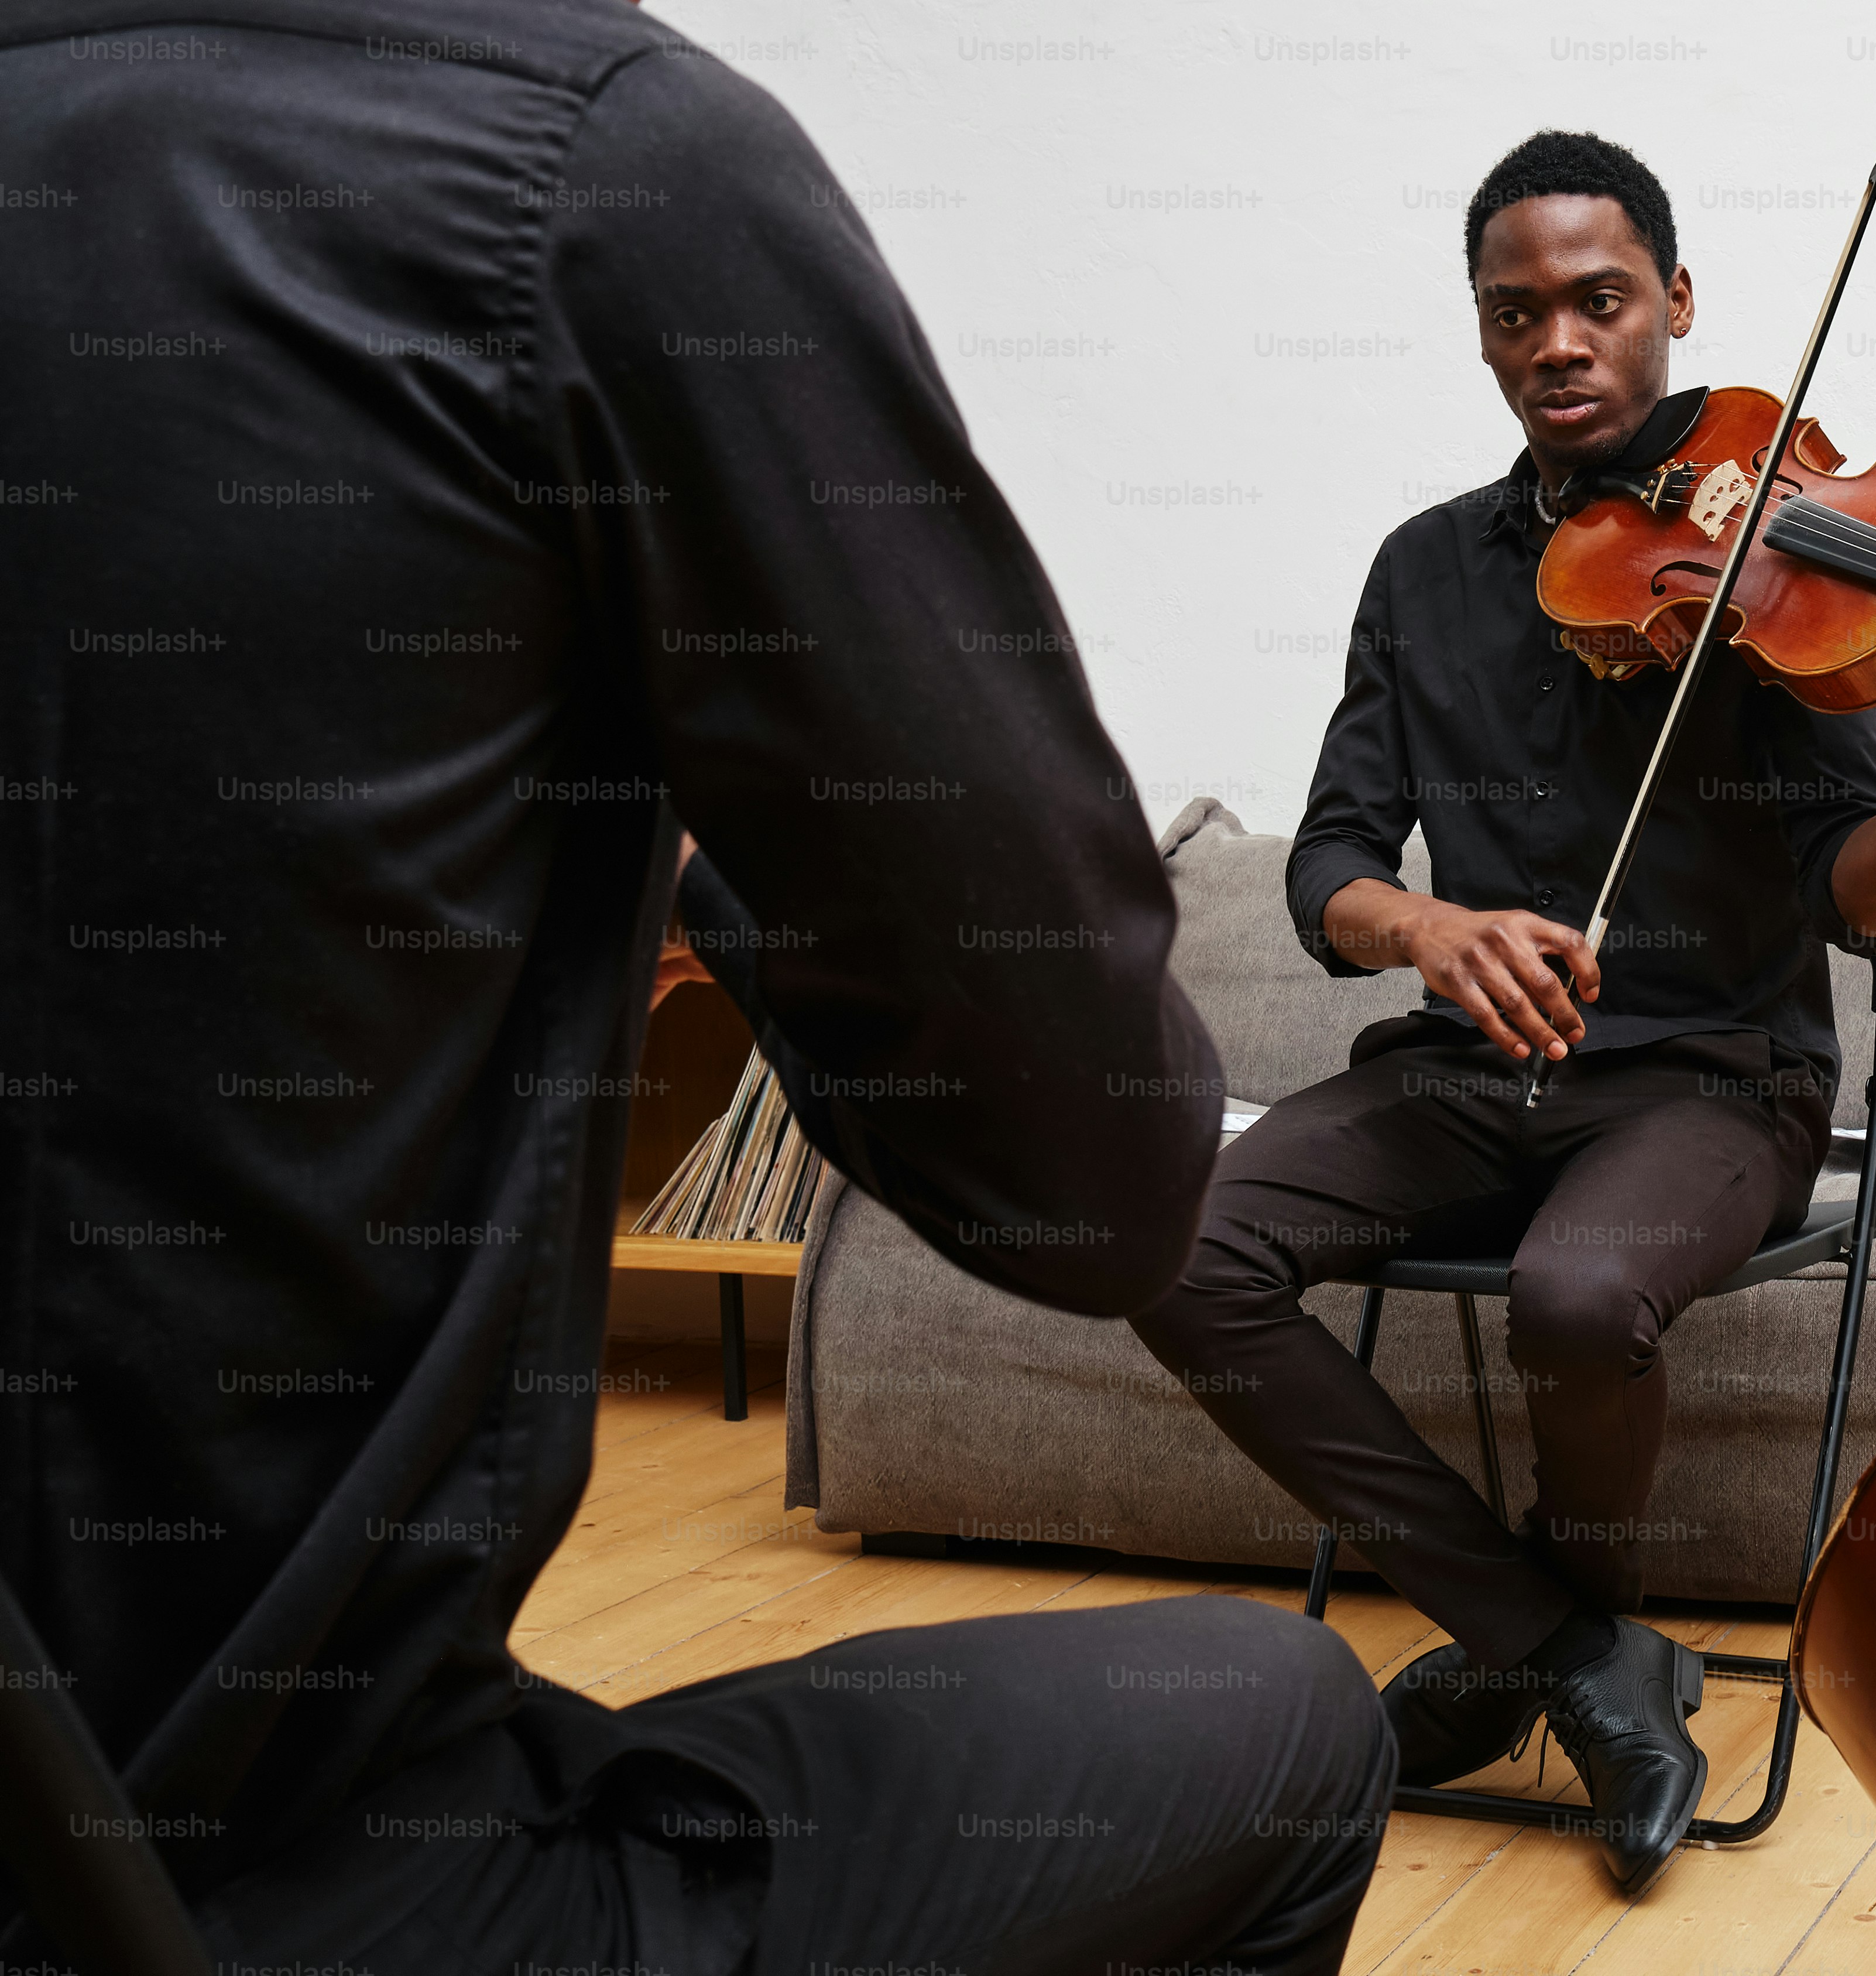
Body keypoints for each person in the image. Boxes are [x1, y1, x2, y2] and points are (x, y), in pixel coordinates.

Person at [0, 1, 1388, 1970]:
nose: (1556, 343)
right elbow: (1097, 1178)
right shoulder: (594, 167)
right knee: (1284, 1729)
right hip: (255, 1882)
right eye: (1516, 307)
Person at [1126, 129, 1876, 1892]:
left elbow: (1854, 902)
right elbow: (1328, 859)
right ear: (1484, 336)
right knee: (1178, 1246)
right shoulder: (1423, 572)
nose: (1556, 343)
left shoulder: (1798, 562)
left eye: (1598, 301)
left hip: (1720, 1080)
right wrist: (1429, 929)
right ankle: (1574, 1652)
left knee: (1577, 1297)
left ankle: (1542, 1649)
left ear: (1676, 304)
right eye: (1516, 315)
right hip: (1482, 1062)